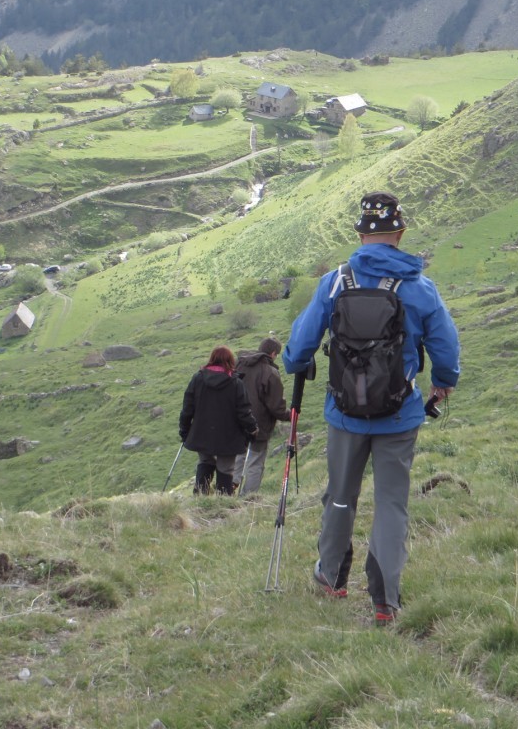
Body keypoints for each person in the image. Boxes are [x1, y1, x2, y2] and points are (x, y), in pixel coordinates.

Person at [282, 192, 460, 626]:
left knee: (340, 497)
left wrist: (295, 362)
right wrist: (443, 383)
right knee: (391, 504)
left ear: (361, 234)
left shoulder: (334, 282)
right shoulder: (419, 288)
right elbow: (445, 346)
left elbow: (299, 346)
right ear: (399, 233)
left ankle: (331, 577)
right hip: (399, 415)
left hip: (344, 414)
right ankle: (385, 600)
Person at [179, 345, 258, 495]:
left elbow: (188, 408)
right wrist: (252, 428)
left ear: (212, 359)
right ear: (230, 361)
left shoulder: (198, 379)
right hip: (228, 435)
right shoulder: (235, 383)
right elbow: (243, 411)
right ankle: (223, 503)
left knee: (205, 462)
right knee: (226, 468)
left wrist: (184, 430)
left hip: (202, 433)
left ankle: (200, 499)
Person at [232, 337, 292, 495]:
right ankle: (248, 498)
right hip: (259, 425)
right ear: (273, 353)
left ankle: (227, 493)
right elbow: (276, 406)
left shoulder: (240, 364)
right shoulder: (270, 372)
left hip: (237, 420)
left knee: (237, 456)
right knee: (255, 462)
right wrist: (289, 415)